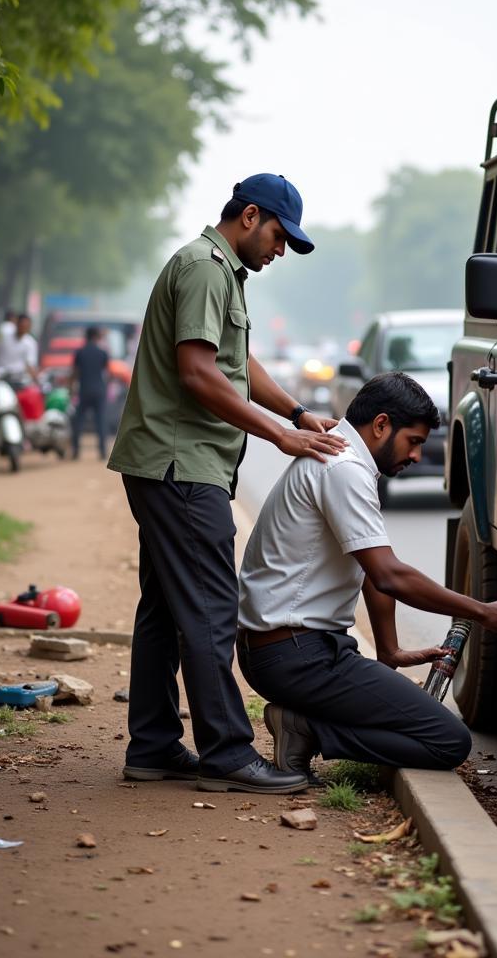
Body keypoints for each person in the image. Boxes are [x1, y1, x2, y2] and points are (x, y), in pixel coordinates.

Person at [108, 173, 345, 795]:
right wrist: (280, 436)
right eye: (278, 235)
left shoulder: (218, 271)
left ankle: (153, 747)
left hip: (172, 465)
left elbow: (236, 364)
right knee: (213, 609)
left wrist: (296, 412)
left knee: (164, 608)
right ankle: (228, 754)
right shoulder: (206, 267)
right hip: (182, 467)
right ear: (248, 216)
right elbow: (198, 373)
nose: (280, 250)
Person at [236, 372, 497, 779]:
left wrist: (388, 650)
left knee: (409, 720)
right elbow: (388, 575)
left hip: (286, 650)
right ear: (382, 425)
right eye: (415, 442)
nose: (418, 457)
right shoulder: (344, 469)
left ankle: (305, 725)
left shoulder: (345, 462)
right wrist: (482, 611)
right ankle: (305, 730)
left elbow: (370, 569)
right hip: (297, 657)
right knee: (447, 741)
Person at [70, 326, 110, 460]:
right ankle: (103, 452)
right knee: (100, 421)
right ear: (97, 337)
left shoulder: (80, 352)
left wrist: (70, 389)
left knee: (79, 421)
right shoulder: (103, 353)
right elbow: (106, 372)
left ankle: (75, 451)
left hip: (84, 390)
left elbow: (75, 373)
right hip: (99, 390)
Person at [0, 312, 38, 383]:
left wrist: (36, 380)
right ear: (16, 324)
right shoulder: (4, 334)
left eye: (26, 326)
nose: (23, 328)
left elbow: (30, 365)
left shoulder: (30, 343)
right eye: (21, 325)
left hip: (17, 379)